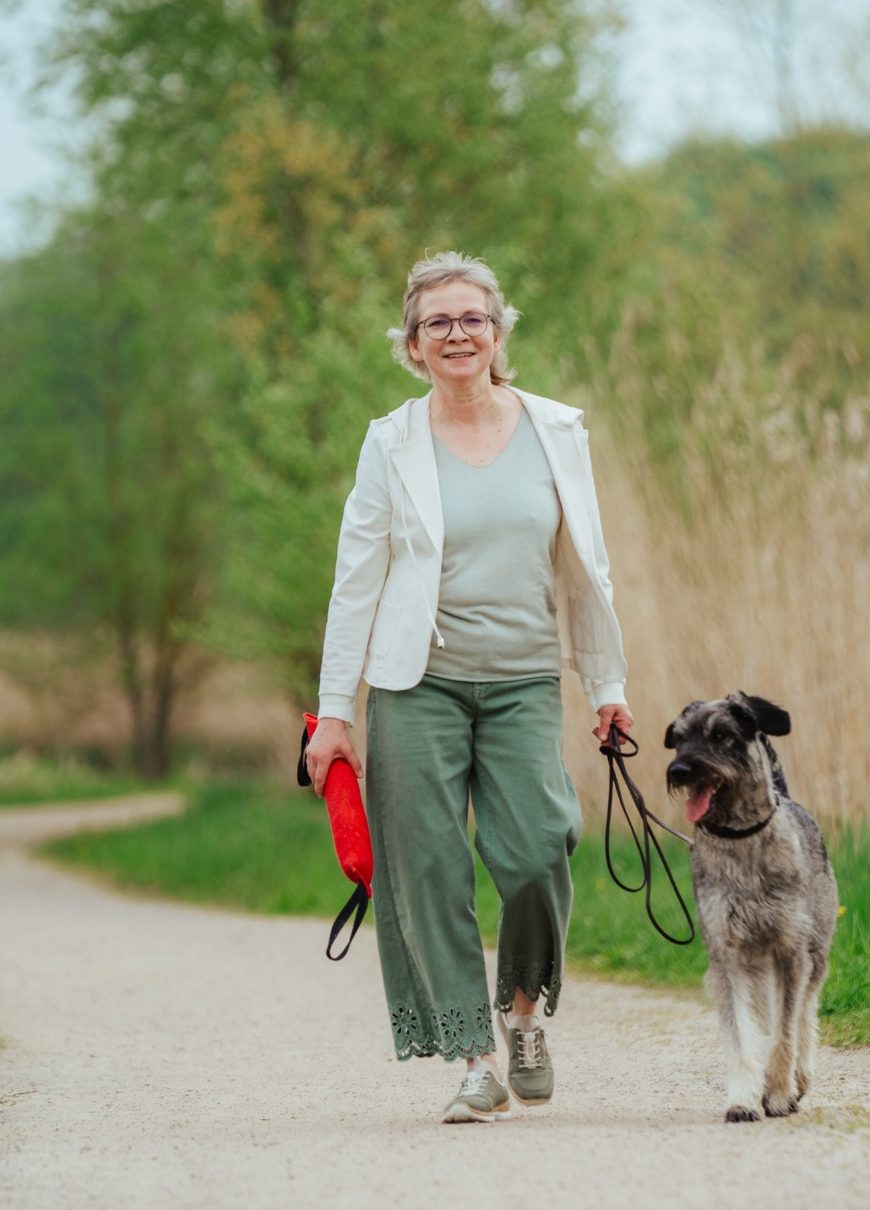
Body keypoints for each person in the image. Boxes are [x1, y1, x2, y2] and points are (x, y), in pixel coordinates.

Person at [304, 250, 632, 1124]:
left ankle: (522, 1012)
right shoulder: (391, 442)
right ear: (412, 345)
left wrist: (606, 683)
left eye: (472, 318)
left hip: (526, 677)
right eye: (436, 322)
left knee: (536, 851)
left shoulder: (557, 429)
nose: (457, 334)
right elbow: (356, 582)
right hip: (419, 687)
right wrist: (337, 715)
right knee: (429, 870)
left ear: (498, 332)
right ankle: (474, 1058)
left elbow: (585, 566)